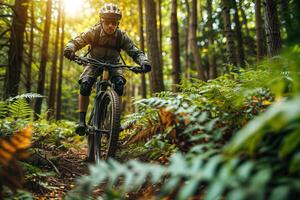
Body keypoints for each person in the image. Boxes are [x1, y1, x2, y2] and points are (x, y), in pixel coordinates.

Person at [64, 3, 151, 135]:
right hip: (93, 62)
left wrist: (144, 62)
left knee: (119, 85)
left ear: (118, 24)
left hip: (114, 64)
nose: (111, 25)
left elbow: (135, 51)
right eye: (107, 22)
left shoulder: (122, 36)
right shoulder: (94, 32)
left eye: (114, 23)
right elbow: (77, 41)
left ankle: (115, 121)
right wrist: (70, 49)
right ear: (101, 21)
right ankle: (81, 121)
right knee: (85, 84)